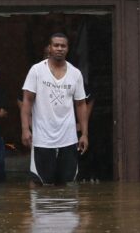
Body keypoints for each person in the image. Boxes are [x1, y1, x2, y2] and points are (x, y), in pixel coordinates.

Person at [20, 33, 89, 185]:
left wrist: (84, 134)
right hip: (42, 139)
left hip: (69, 139)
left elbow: (81, 104)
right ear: (49, 48)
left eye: (63, 46)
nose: (59, 49)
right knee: (42, 185)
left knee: (68, 185)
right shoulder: (37, 70)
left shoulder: (75, 73)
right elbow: (27, 101)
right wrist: (25, 129)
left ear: (68, 49)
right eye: (56, 45)